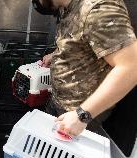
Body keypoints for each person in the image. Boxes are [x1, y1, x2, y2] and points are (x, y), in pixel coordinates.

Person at [32, 0, 137, 137]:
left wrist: (82, 115)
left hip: (77, 113)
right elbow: (80, 38)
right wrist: (57, 53)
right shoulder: (69, 6)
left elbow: (131, 66)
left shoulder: (98, 9)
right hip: (60, 102)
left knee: (64, 157)